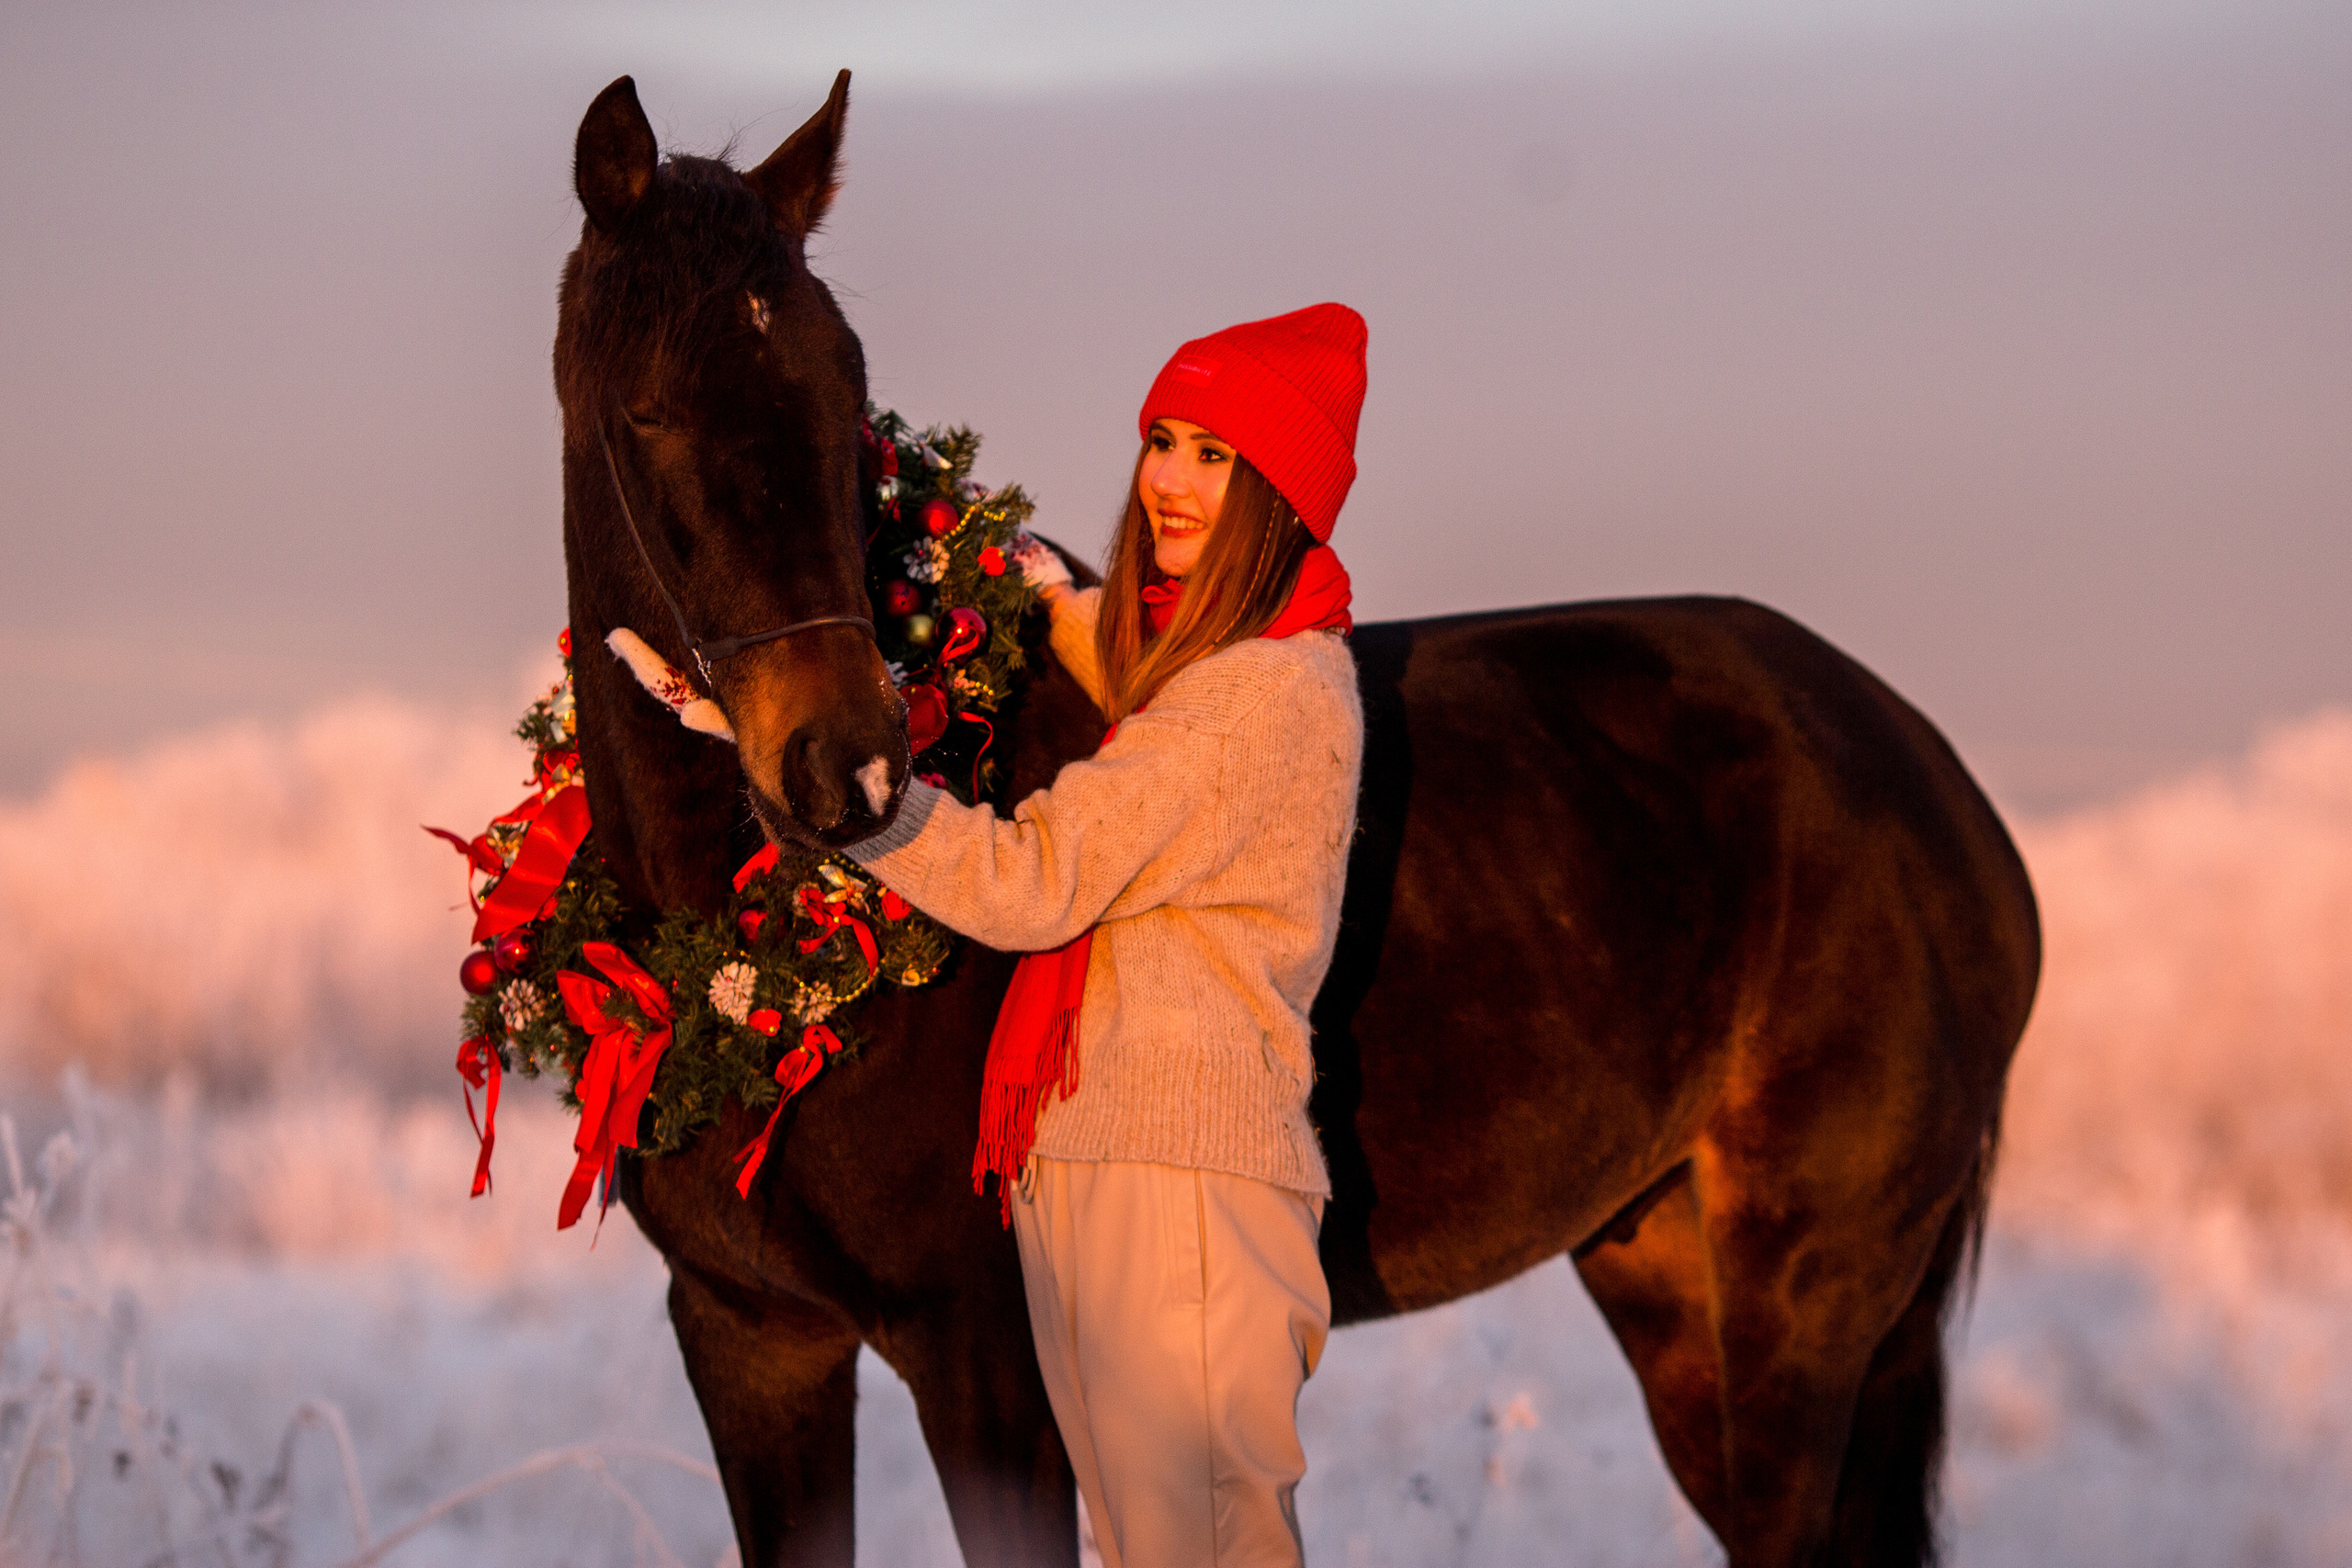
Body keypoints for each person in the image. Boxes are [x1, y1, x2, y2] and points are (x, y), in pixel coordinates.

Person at [846, 302, 1368, 1568]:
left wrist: (866, 808)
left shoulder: (1261, 694)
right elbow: (1149, 698)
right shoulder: (1214, 675)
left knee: (1198, 1545)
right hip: (1102, 1163)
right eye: (1164, 439)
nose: (1171, 480)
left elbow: (1041, 877)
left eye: (1216, 455)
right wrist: (1060, 606)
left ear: (1279, 491)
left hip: (1182, 1181)